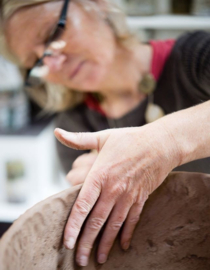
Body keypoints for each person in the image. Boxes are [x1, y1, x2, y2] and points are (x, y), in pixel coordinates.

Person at [1, 0, 210, 266]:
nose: (52, 64)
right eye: (35, 62)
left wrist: (162, 141)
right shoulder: (74, 126)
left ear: (96, 5)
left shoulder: (197, 58)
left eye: (53, 33)